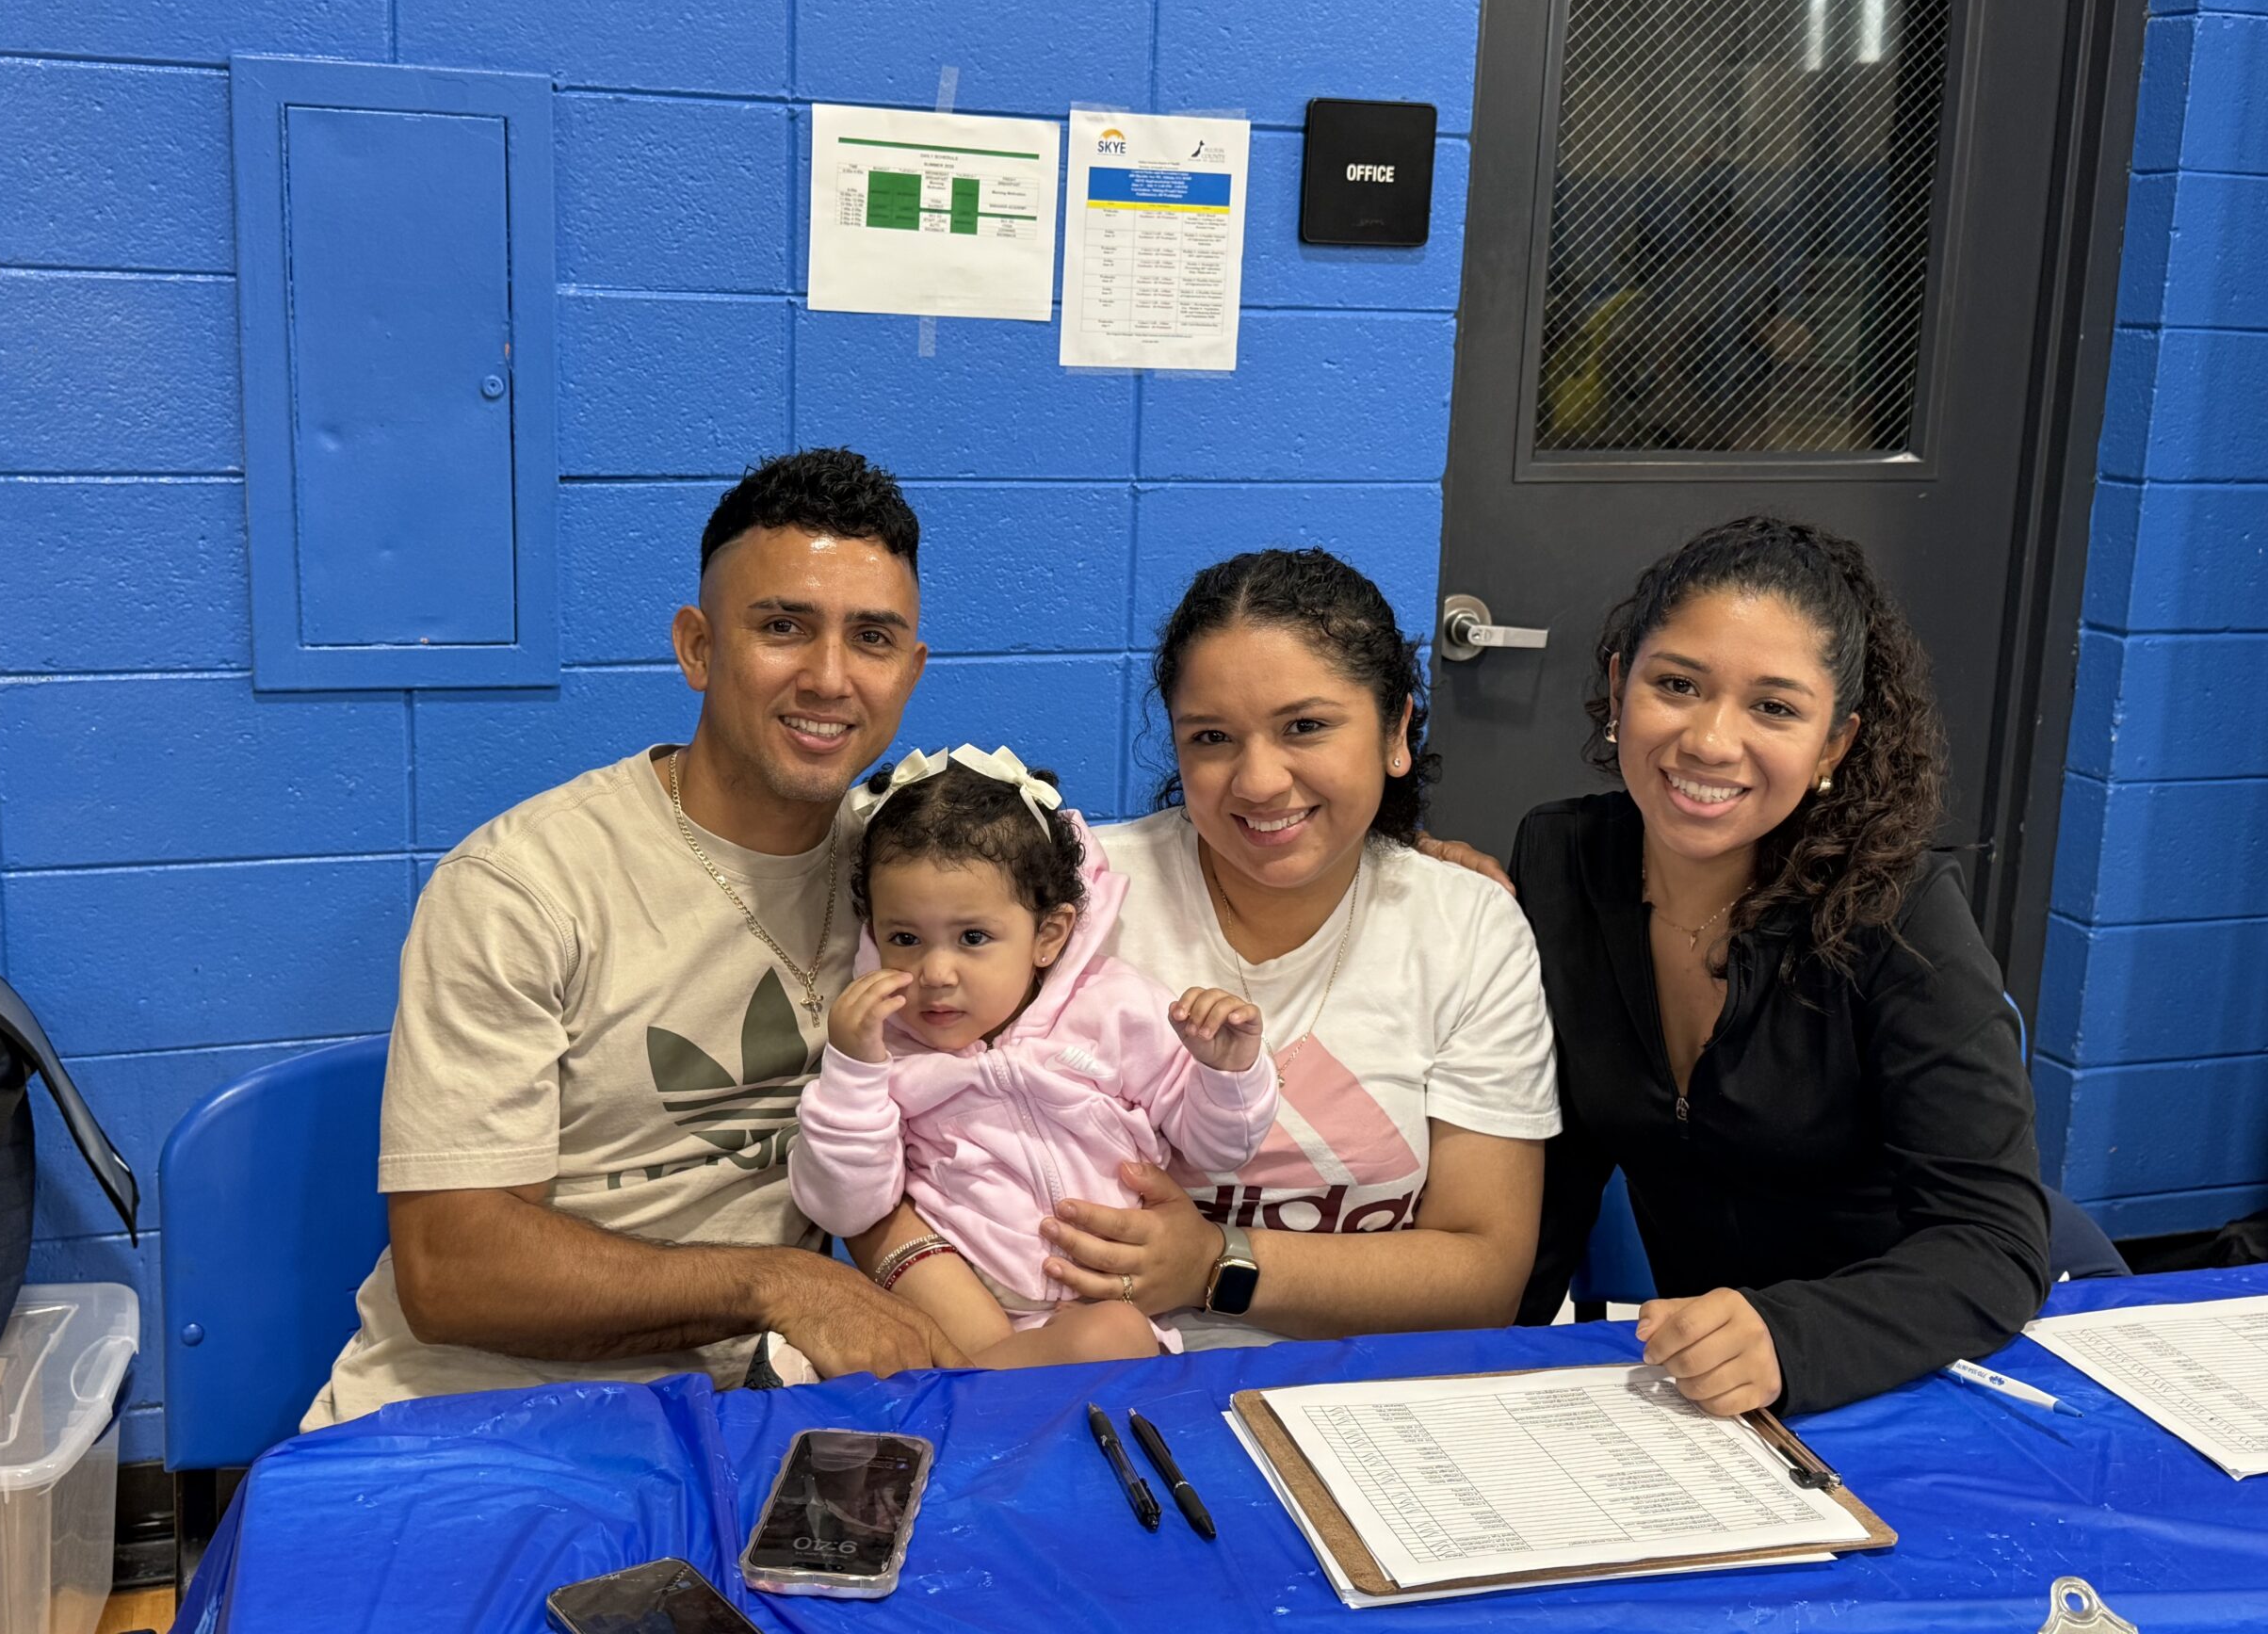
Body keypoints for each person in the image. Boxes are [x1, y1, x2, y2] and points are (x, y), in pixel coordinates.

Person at [304, 448, 965, 1429]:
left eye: (871, 639)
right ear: (698, 648)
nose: (829, 678)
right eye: (783, 627)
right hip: (465, 1414)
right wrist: (780, 1284)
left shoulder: (908, 877)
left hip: (743, 1416)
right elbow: (450, 1272)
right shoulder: (524, 885)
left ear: (908, 672)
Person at [857, 549, 1562, 1347]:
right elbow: (894, 1119)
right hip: (1078, 1371)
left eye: (1306, 726)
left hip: (1357, 1397)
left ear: (1396, 728)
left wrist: (1218, 1265)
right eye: (1213, 737)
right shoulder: (1071, 898)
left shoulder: (1463, 926)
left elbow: (1485, 1277)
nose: (1259, 781)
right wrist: (987, 1360)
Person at [1509, 515, 2050, 1418]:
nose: (1711, 742)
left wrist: (1789, 1338)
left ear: (1834, 743)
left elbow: (1995, 1242)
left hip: (1901, 1370)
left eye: (1774, 707)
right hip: (1702, 1401)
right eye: (1677, 684)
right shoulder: (1559, 860)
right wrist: (1459, 1364)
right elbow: (1549, 1182)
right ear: (1618, 687)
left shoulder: (1900, 911)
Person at [790, 746, 1277, 1368]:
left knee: (1117, 1336)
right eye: (904, 938)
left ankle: (965, 1394)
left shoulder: (1116, 1009)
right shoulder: (881, 1049)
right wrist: (854, 1072)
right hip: (955, 1295)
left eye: (973, 938)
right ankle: (971, 1386)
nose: (935, 973)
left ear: (1048, 935)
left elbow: (1219, 1149)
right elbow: (844, 1208)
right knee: (916, 1283)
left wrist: (1226, 1070)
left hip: (1096, 1305)